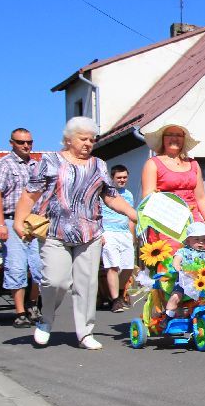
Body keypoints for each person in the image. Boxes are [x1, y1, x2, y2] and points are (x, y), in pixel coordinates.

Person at [13, 117, 138, 350]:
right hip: (54, 231)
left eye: (92, 140)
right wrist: (19, 220)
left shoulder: (99, 165)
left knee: (87, 284)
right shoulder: (50, 161)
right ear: (68, 139)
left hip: (89, 231)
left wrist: (133, 213)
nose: (88, 143)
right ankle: (45, 319)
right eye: (83, 139)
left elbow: (110, 196)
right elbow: (30, 194)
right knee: (56, 281)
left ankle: (85, 333)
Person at [0, 127, 43, 327]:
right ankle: (19, 312)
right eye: (21, 142)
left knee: (39, 266)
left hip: (34, 222)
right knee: (17, 266)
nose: (26, 146)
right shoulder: (4, 165)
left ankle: (32, 304)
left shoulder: (37, 165)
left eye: (29, 142)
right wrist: (0, 224)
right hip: (10, 220)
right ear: (12, 143)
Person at [140, 123, 205, 244]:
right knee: (171, 261)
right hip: (166, 222)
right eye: (170, 134)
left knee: (197, 260)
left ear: (184, 139)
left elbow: (201, 197)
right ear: (163, 139)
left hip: (194, 223)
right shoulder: (152, 163)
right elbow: (148, 199)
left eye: (178, 135)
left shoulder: (194, 164)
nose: (174, 138)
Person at [161, 222, 205, 322]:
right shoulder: (184, 251)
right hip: (183, 282)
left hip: (200, 284)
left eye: (204, 239)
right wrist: (177, 266)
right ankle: (168, 317)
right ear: (188, 240)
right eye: (197, 239)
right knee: (175, 298)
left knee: (204, 301)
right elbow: (177, 260)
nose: (201, 242)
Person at [101, 164, 136, 312]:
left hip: (124, 233)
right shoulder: (105, 194)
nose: (122, 180)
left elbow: (130, 217)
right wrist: (101, 233)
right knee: (113, 265)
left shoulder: (128, 194)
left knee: (128, 267)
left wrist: (132, 235)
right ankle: (115, 300)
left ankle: (120, 292)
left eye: (124, 177)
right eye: (119, 177)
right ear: (112, 178)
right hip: (109, 232)